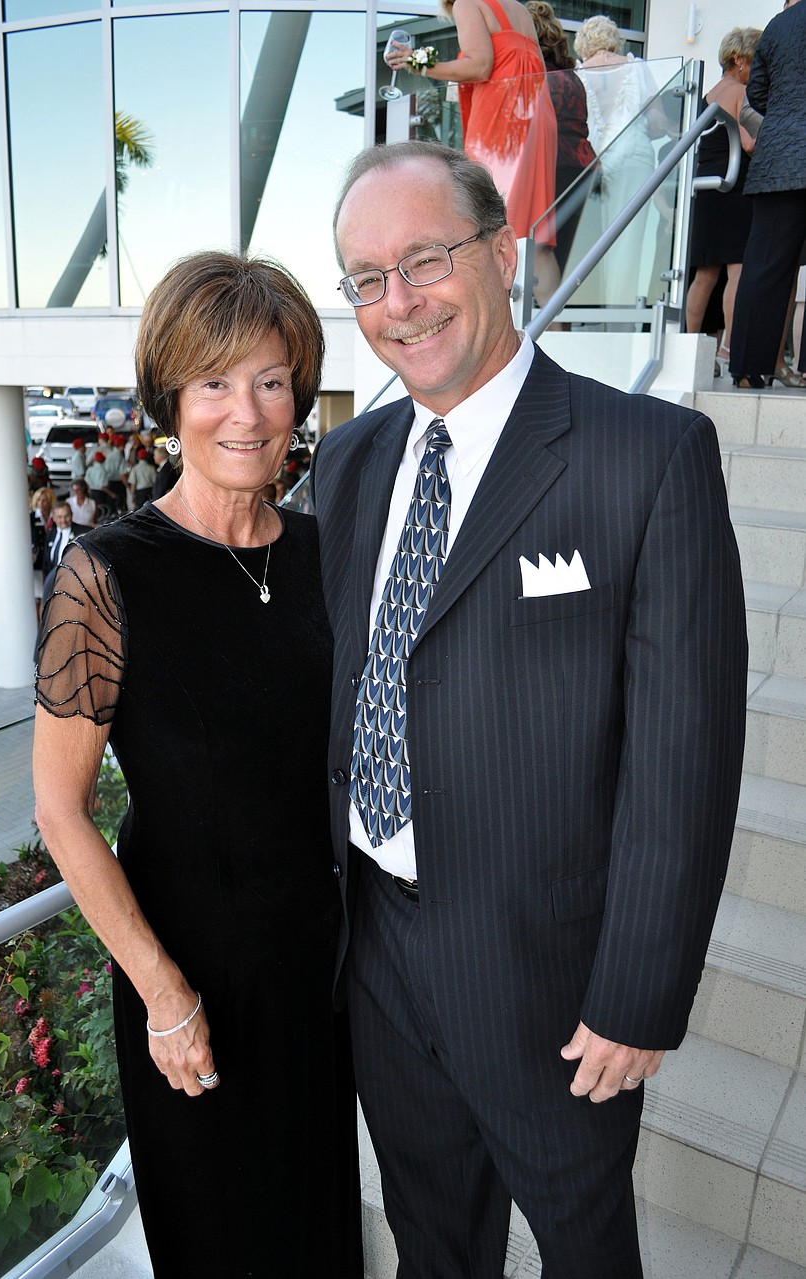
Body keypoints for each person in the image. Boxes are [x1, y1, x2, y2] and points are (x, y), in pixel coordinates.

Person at [311, 139, 747, 1278]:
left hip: (550, 979)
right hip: (379, 955)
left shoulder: (645, 454)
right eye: (366, 277)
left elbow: (683, 756)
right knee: (431, 1243)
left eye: (424, 259)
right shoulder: (348, 461)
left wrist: (638, 992)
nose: (397, 303)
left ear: (500, 252)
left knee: (583, 1250)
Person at [33, 250, 362, 1279]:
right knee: (219, 1242)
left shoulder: (324, 552)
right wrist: (163, 992)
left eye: (271, 380)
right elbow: (59, 807)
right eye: (215, 382)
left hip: (324, 973)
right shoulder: (108, 572)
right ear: (172, 398)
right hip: (190, 983)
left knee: (317, 1234)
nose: (248, 412)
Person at [387, 0, 559, 303]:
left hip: (501, 122)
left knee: (490, 223)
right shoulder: (518, 9)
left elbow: (480, 65)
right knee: (534, 234)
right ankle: (554, 326)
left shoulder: (469, 4)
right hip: (535, 118)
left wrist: (418, 62)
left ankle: (496, 321)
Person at [728, 0, 806, 388]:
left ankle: (746, 367)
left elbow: (756, 93)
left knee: (763, 266)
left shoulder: (778, 25)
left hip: (780, 156)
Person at [575, 15, 668, 304]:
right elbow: (658, 123)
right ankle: (620, 319)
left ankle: (589, 314)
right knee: (628, 244)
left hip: (591, 164)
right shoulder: (636, 67)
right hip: (634, 159)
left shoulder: (578, 73)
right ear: (615, 39)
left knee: (591, 243)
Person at [685, 28, 762, 372]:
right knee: (738, 271)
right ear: (740, 60)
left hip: (707, 188)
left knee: (704, 275)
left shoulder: (708, 93)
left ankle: (688, 345)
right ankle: (727, 350)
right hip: (734, 188)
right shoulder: (741, 92)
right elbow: (750, 142)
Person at [526, 1, 597, 273]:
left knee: (543, 250)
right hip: (582, 165)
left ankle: (550, 314)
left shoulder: (538, 78)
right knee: (568, 253)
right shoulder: (571, 77)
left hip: (554, 165)